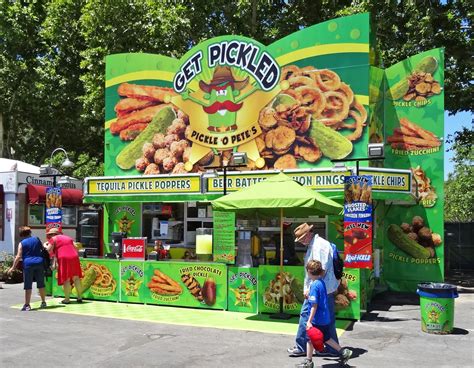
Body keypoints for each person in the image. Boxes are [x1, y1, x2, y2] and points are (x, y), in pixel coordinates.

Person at [288, 223, 340, 357]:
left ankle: (302, 347)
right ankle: (332, 348)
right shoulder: (316, 244)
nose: (300, 242)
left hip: (319, 288)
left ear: (307, 235)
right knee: (327, 319)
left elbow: (319, 270)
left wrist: (310, 289)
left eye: (301, 239)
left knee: (306, 316)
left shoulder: (319, 246)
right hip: (325, 288)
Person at [296, 260, 352, 368]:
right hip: (324, 318)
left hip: (317, 319)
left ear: (309, 271)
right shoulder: (321, 282)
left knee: (309, 339)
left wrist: (309, 321)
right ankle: (343, 352)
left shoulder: (314, 286)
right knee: (327, 338)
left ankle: (308, 362)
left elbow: (314, 305)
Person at [8, 226, 47, 311]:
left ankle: (27, 305)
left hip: (28, 264)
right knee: (41, 283)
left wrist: (13, 267)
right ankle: (43, 302)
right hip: (39, 262)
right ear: (30, 232)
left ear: (21, 234)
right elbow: (43, 248)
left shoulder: (22, 243)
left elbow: (18, 256)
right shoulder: (37, 239)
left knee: (28, 285)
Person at [45, 228, 83, 304]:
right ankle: (79, 297)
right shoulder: (68, 238)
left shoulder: (53, 239)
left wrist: (44, 245)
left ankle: (67, 299)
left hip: (64, 258)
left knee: (66, 278)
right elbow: (76, 247)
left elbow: (48, 250)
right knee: (76, 277)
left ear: (52, 234)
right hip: (74, 257)